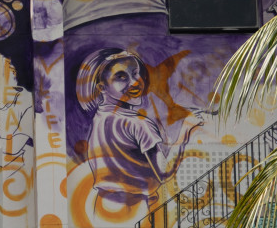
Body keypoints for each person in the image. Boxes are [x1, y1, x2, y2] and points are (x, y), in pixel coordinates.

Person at [77, 47, 203, 207]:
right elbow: (165, 173)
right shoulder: (138, 123)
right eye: (121, 77)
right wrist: (187, 129)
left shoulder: (100, 118)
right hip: (138, 209)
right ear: (101, 87)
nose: (136, 82)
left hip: (101, 208)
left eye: (136, 73)